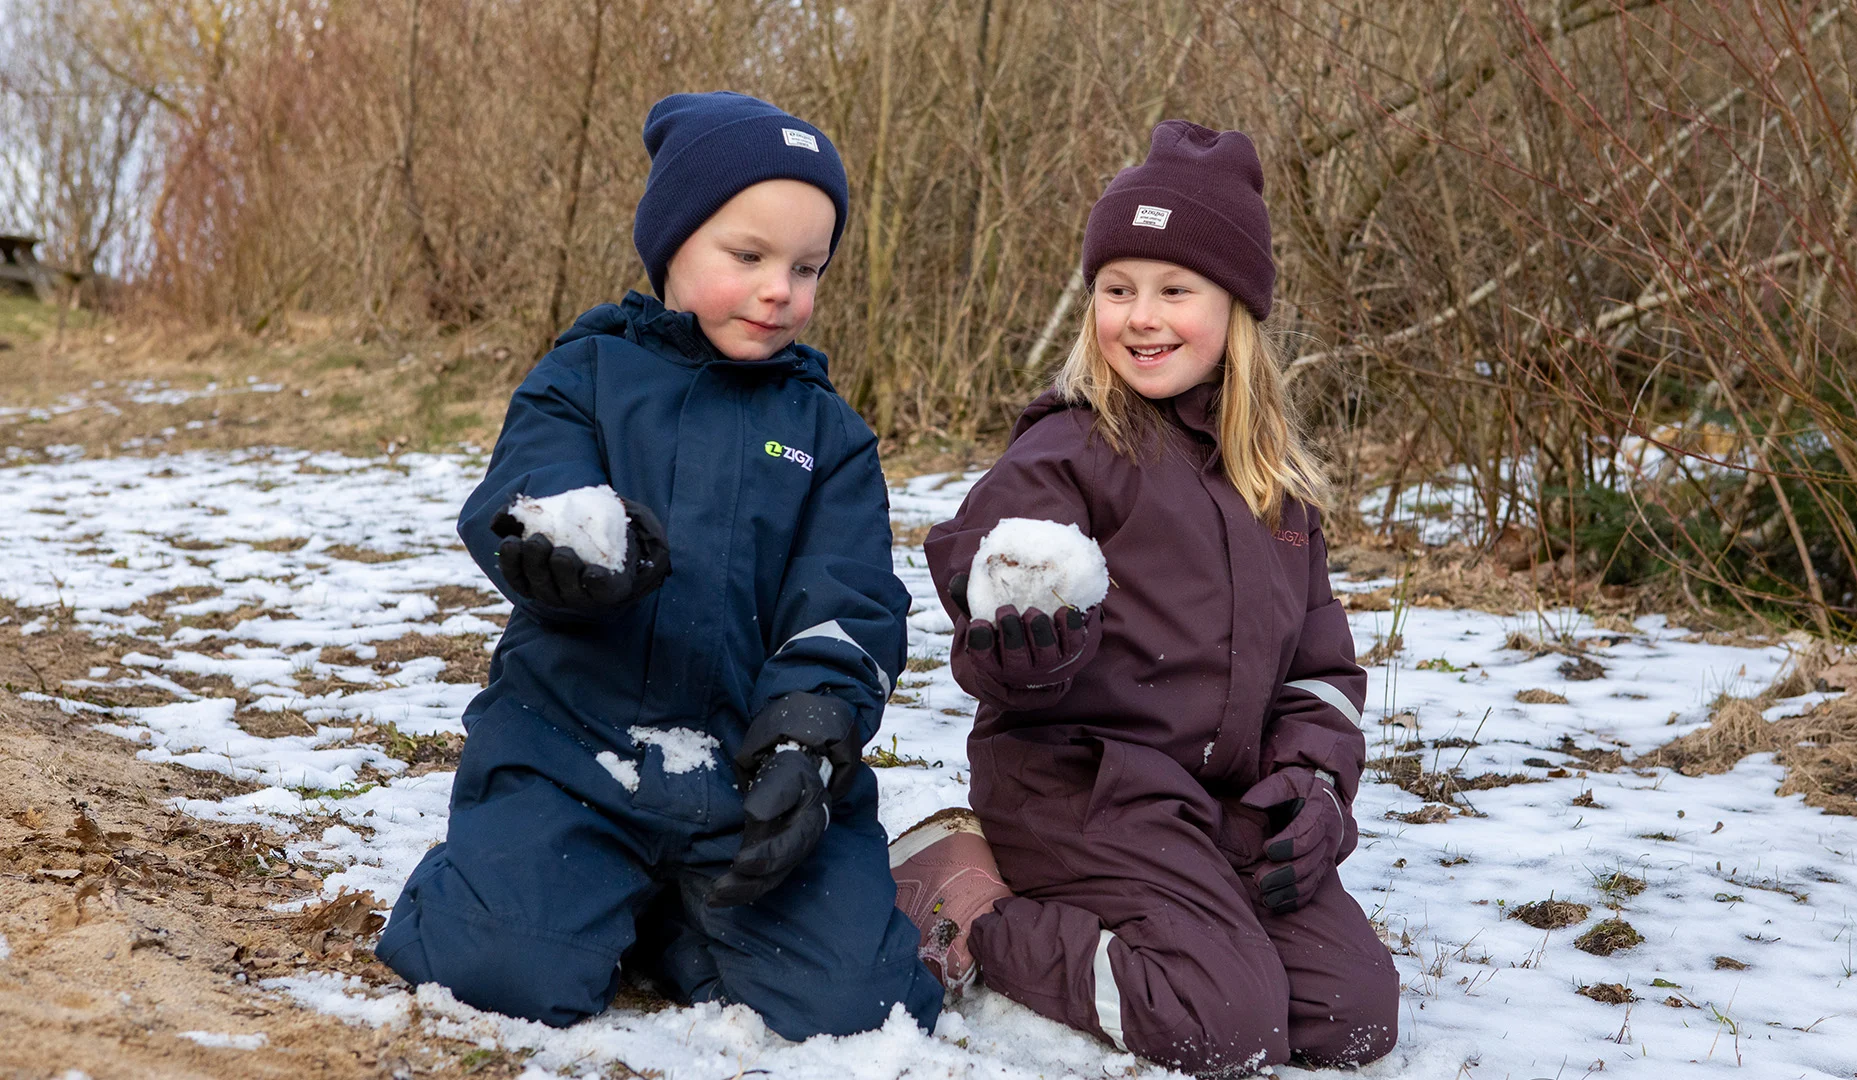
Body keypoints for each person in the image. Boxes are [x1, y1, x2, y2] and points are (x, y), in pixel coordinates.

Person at [375, 91, 942, 1038]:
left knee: (861, 1007)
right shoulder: (585, 375)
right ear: (673, 245)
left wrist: (808, 738)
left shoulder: (828, 436)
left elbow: (848, 601)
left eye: (807, 269)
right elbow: (529, 485)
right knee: (498, 971)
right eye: (749, 257)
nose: (780, 291)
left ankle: (673, 915)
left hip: (744, 778)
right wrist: (561, 542)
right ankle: (533, 885)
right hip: (571, 751)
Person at [894, 120, 1400, 1073]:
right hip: (1083, 790)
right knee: (1222, 1023)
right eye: (1117, 290)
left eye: (1176, 289)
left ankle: (1188, 924)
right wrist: (1017, 632)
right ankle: (975, 914)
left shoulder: (1276, 490)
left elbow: (1321, 670)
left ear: (1237, 309)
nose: (1142, 315)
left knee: (1350, 1015)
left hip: (1225, 804)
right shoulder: (1070, 448)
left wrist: (1316, 785)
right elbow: (985, 553)